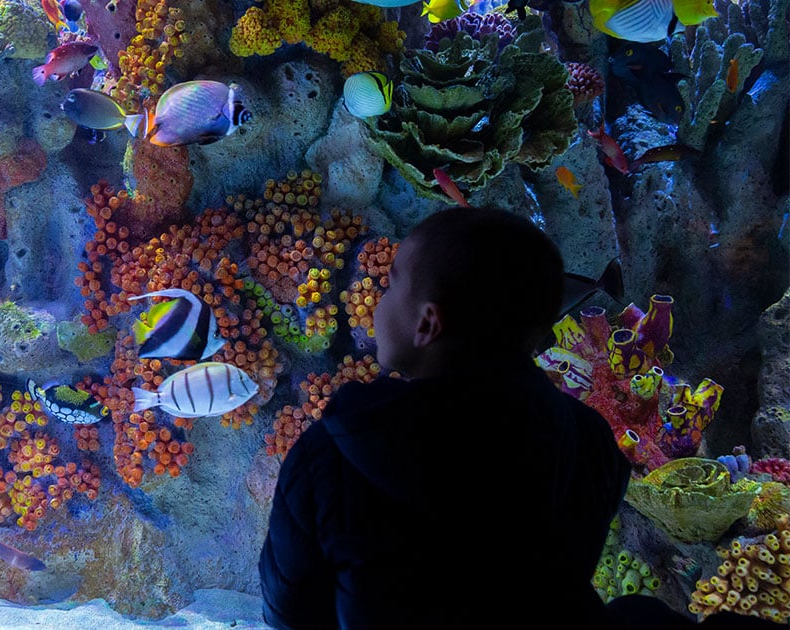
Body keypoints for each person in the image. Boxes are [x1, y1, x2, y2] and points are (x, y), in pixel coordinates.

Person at [258, 207, 633, 628]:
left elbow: (286, 612)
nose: (380, 300)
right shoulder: (590, 441)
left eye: (392, 284)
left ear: (426, 324)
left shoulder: (331, 455)